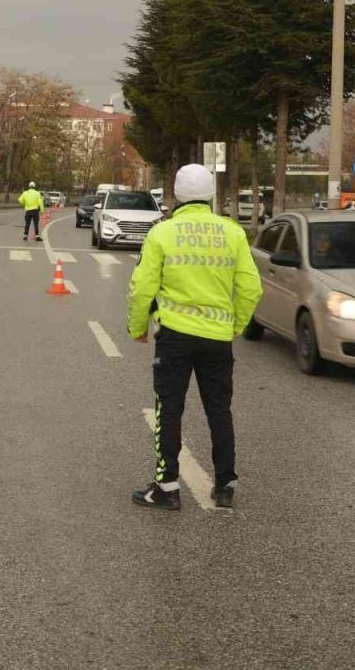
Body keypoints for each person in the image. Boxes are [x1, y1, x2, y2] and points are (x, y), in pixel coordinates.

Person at [127, 164, 263, 510]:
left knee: (169, 409)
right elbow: (250, 287)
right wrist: (236, 324)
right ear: (210, 195)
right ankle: (226, 484)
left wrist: (137, 325)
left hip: (174, 337)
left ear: (176, 196)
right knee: (219, 410)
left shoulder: (163, 233)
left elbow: (142, 286)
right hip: (218, 339)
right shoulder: (232, 233)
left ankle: (167, 488)